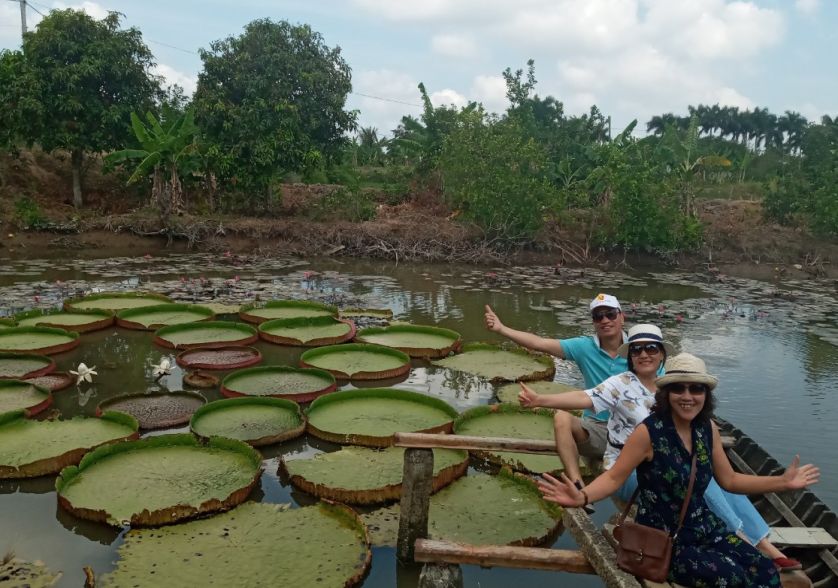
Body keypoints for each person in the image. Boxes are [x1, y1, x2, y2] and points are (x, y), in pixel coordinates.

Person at [518, 327, 799, 569]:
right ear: (630, 355)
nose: (644, 354)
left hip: (674, 465)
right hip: (634, 470)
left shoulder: (675, 383)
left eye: (651, 348)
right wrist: (541, 399)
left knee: (713, 475)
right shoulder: (622, 383)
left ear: (662, 353)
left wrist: (781, 482)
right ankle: (745, 542)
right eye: (637, 349)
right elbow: (584, 396)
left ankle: (763, 542)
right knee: (701, 477)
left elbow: (706, 440)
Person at [485, 293, 627, 487]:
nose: (605, 320)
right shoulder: (585, 347)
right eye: (598, 316)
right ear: (594, 322)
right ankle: (577, 485)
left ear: (621, 316)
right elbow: (540, 343)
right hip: (597, 427)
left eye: (610, 314)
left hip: (632, 427)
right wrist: (502, 329)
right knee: (562, 418)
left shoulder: (640, 350)